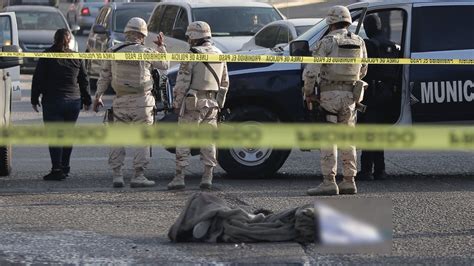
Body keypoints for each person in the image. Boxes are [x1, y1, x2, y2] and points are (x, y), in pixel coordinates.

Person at [92, 17, 169, 188]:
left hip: (121, 100)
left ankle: (117, 175)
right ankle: (138, 175)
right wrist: (161, 46)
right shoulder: (147, 52)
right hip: (143, 101)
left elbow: (104, 76)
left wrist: (98, 96)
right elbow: (164, 64)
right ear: (143, 35)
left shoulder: (113, 51)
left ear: (127, 33)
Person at [303, 6, 368, 196]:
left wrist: (308, 92)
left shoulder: (327, 41)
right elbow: (363, 69)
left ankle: (329, 182)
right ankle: (349, 181)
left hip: (328, 95)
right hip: (350, 96)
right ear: (348, 21)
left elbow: (311, 71)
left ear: (330, 22)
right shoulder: (359, 41)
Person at [167, 21, 229, 190]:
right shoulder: (219, 53)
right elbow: (224, 83)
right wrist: (219, 104)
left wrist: (176, 104)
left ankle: (179, 178)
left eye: (189, 36)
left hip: (192, 103)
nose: (188, 40)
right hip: (212, 104)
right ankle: (207, 177)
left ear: (194, 37)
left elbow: (182, 83)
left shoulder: (191, 54)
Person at [31, 28, 91, 181]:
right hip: (73, 102)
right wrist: (87, 99)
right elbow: (84, 80)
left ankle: (56, 169)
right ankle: (65, 166)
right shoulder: (76, 56)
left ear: (54, 39)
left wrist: (34, 98)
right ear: (69, 40)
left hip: (52, 101)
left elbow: (37, 79)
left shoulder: (47, 55)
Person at [357, 14, 400, 181]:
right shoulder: (392, 46)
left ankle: (367, 170)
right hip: (388, 94)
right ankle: (380, 170)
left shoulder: (368, 45)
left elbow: (363, 70)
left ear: (368, 29)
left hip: (372, 94)